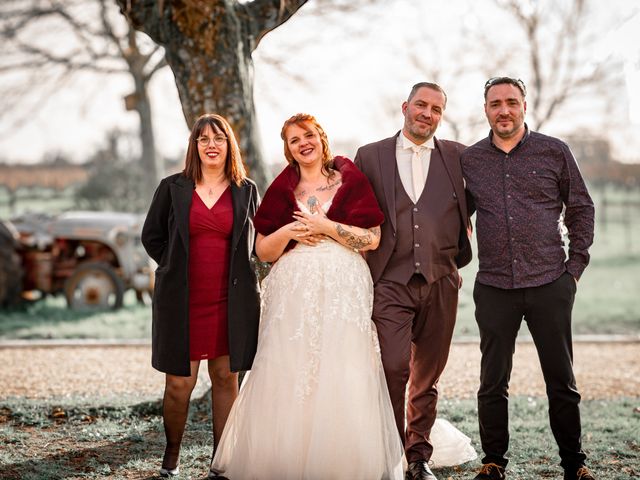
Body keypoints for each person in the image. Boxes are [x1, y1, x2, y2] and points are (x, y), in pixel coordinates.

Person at [210, 113, 404, 480]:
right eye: (294, 139)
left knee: (342, 365)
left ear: (321, 137)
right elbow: (264, 250)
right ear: (288, 149)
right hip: (293, 295)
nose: (303, 143)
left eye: (309, 135)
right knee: (290, 366)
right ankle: (284, 458)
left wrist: (326, 227)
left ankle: (341, 460)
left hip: (343, 290)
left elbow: (373, 237)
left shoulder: (349, 180)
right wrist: (291, 230)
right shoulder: (283, 190)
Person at [461, 77, 596, 480]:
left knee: (561, 381)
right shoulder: (469, 160)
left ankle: (575, 465)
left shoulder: (554, 151)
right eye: (495, 103)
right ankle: (493, 462)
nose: (504, 110)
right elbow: (454, 215)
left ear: (524, 105)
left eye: (511, 102)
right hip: (494, 286)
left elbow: (581, 208)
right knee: (492, 382)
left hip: (550, 282)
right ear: (485, 109)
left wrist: (574, 271)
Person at [354, 82, 475, 480]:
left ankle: (417, 457)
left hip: (442, 279)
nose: (427, 113)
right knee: (393, 367)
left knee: (427, 376)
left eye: (436, 109)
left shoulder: (459, 157)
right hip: (390, 279)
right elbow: (353, 212)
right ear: (405, 106)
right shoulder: (370, 156)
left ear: (442, 115)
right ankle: (388, 450)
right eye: (421, 105)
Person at [141, 113, 260, 477]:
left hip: (232, 302)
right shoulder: (172, 187)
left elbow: (255, 246)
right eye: (203, 138)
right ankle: (172, 456)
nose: (211, 144)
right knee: (180, 384)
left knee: (226, 380)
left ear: (229, 145)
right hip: (183, 303)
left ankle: (219, 464)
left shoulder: (246, 190)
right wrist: (175, 268)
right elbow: (152, 236)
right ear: (194, 146)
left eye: (219, 138)